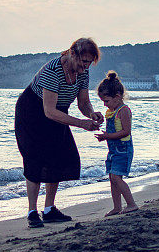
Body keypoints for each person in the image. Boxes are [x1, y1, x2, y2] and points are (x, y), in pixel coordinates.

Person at [15, 38, 104, 228]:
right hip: (33, 111)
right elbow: (49, 111)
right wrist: (81, 124)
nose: (85, 66)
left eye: (89, 62)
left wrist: (91, 114)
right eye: (83, 61)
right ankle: (32, 212)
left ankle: (49, 209)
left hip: (58, 111)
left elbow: (83, 102)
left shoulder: (83, 72)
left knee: (59, 156)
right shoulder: (53, 71)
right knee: (35, 160)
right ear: (72, 54)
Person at [94, 71, 137, 216]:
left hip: (123, 150)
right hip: (113, 151)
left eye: (106, 101)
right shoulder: (112, 111)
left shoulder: (123, 111)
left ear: (117, 97)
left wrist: (107, 136)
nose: (105, 105)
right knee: (112, 178)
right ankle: (117, 207)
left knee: (116, 177)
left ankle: (131, 204)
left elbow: (126, 131)